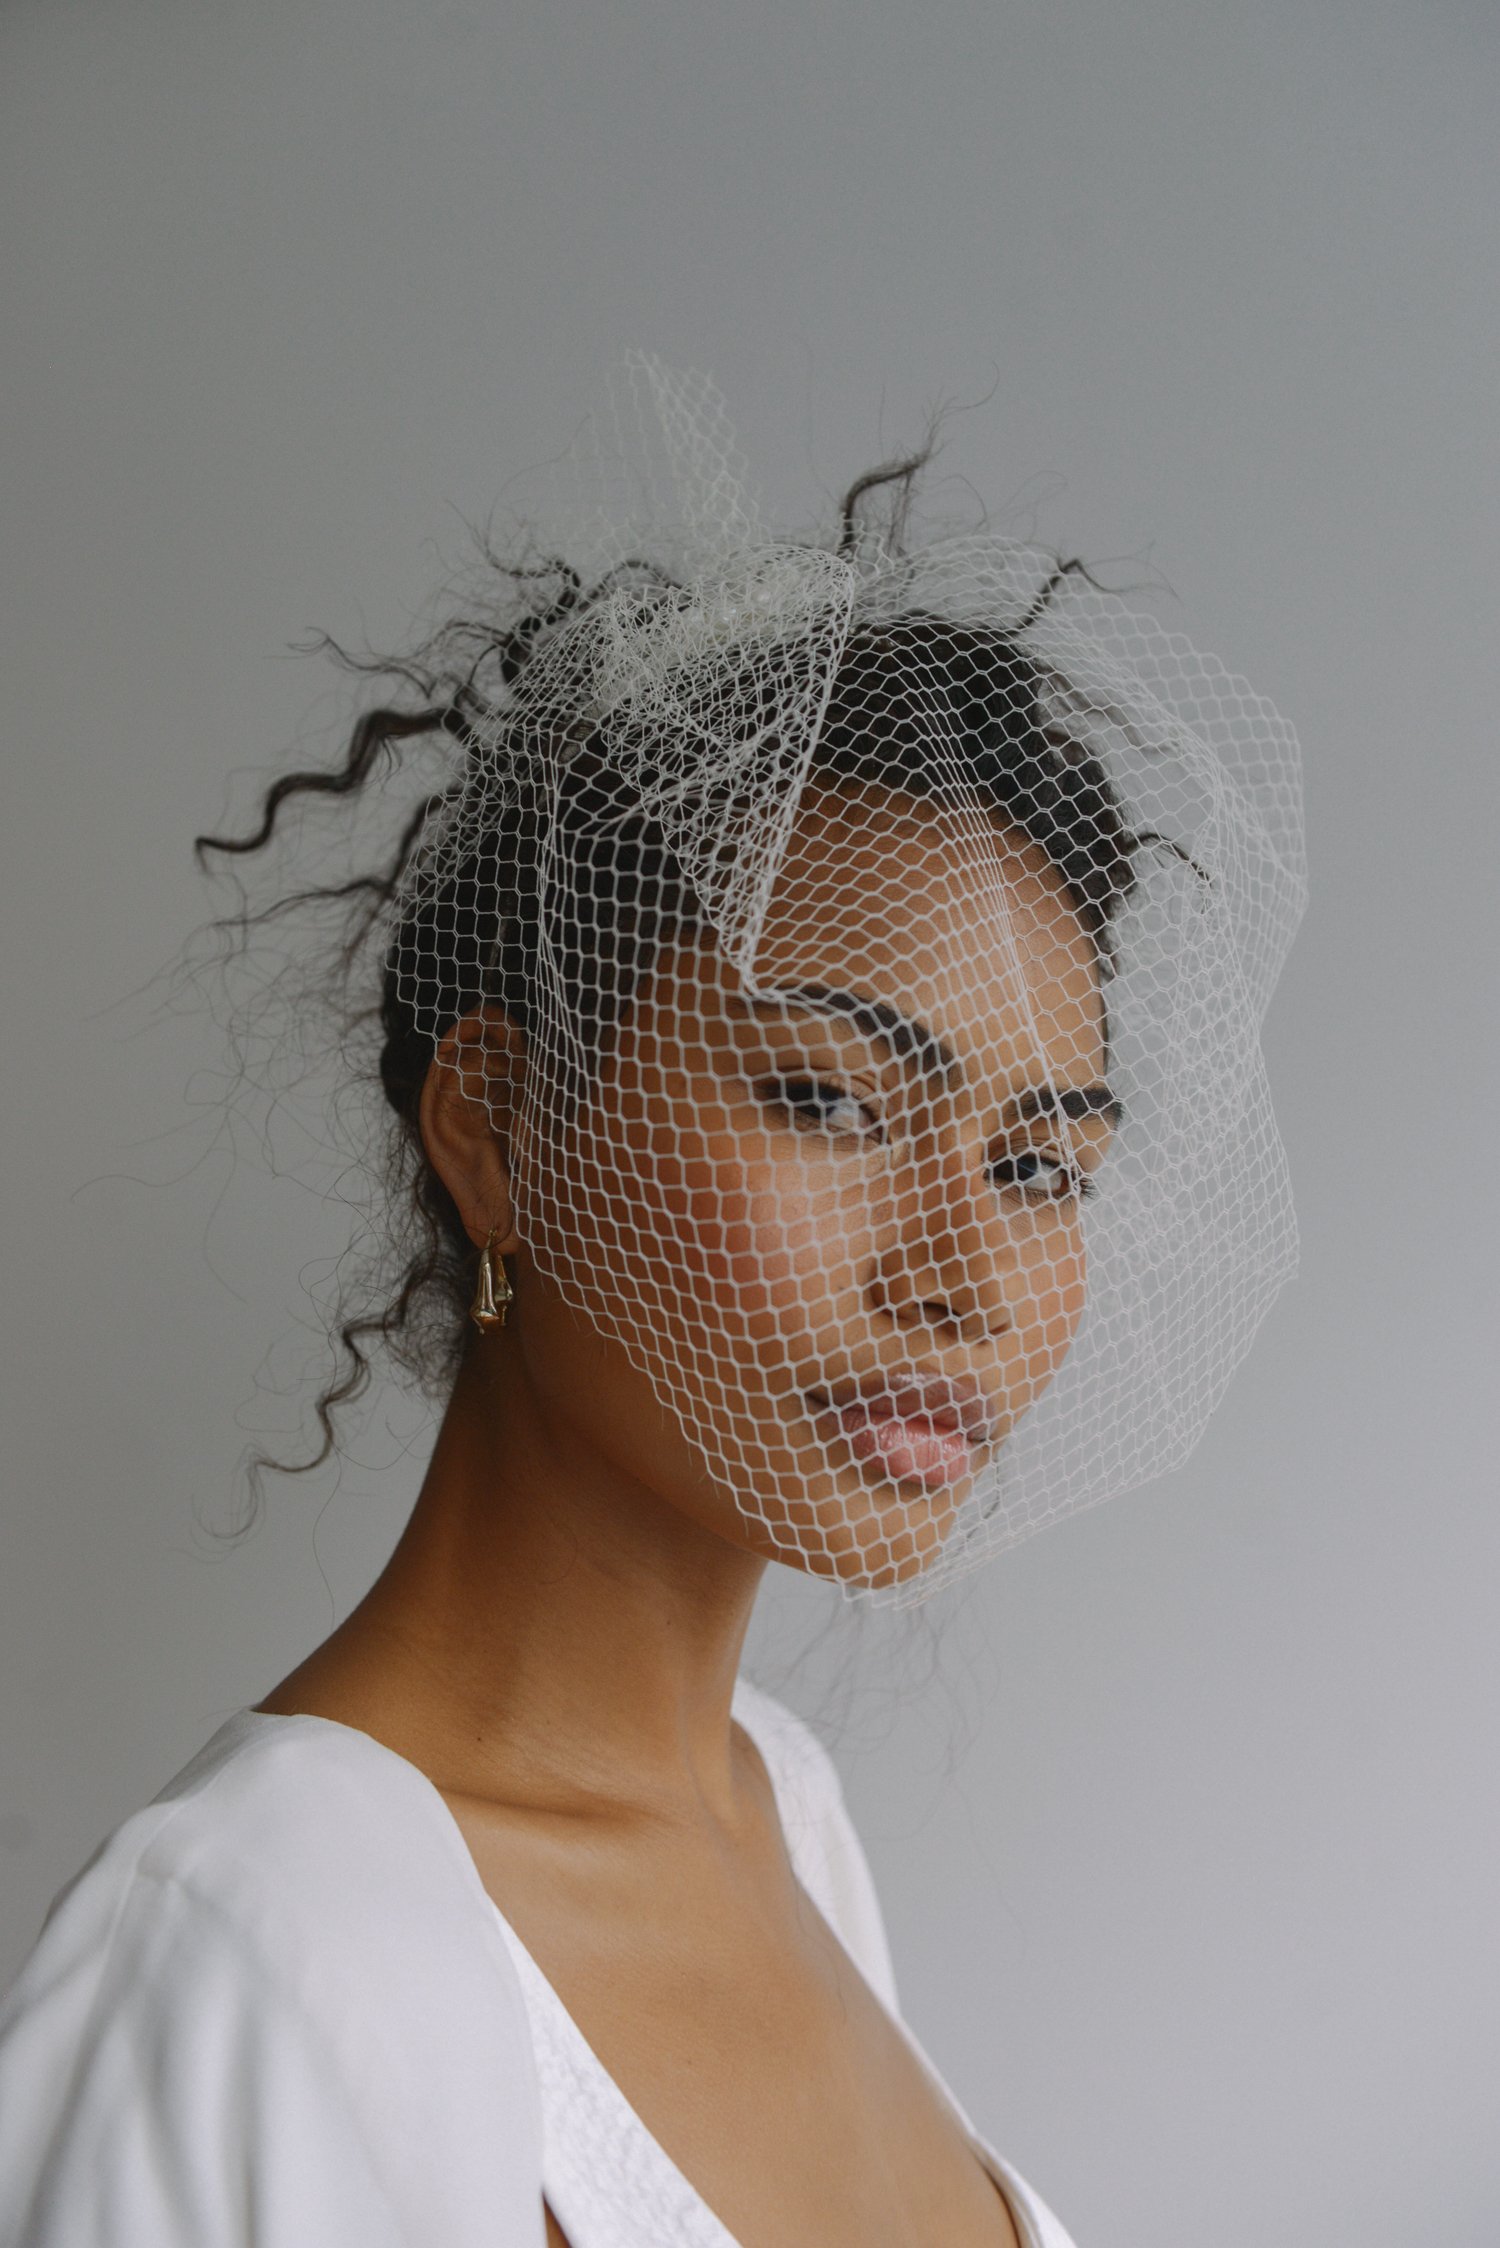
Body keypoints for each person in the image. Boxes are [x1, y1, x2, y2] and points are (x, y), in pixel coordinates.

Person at [0, 361, 1305, 2247]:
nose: (964, 1275)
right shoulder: (255, 1955)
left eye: (1040, 1161)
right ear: (502, 1127)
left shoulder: (787, 1812)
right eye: (837, 1101)